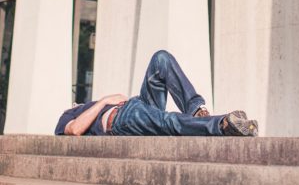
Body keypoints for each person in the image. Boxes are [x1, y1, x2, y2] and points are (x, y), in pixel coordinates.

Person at [55, 50, 258, 137]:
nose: (77, 103)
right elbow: (75, 130)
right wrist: (104, 100)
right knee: (167, 121)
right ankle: (223, 124)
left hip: (136, 104)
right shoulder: (69, 115)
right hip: (122, 121)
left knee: (161, 58)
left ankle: (196, 109)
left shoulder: (87, 107)